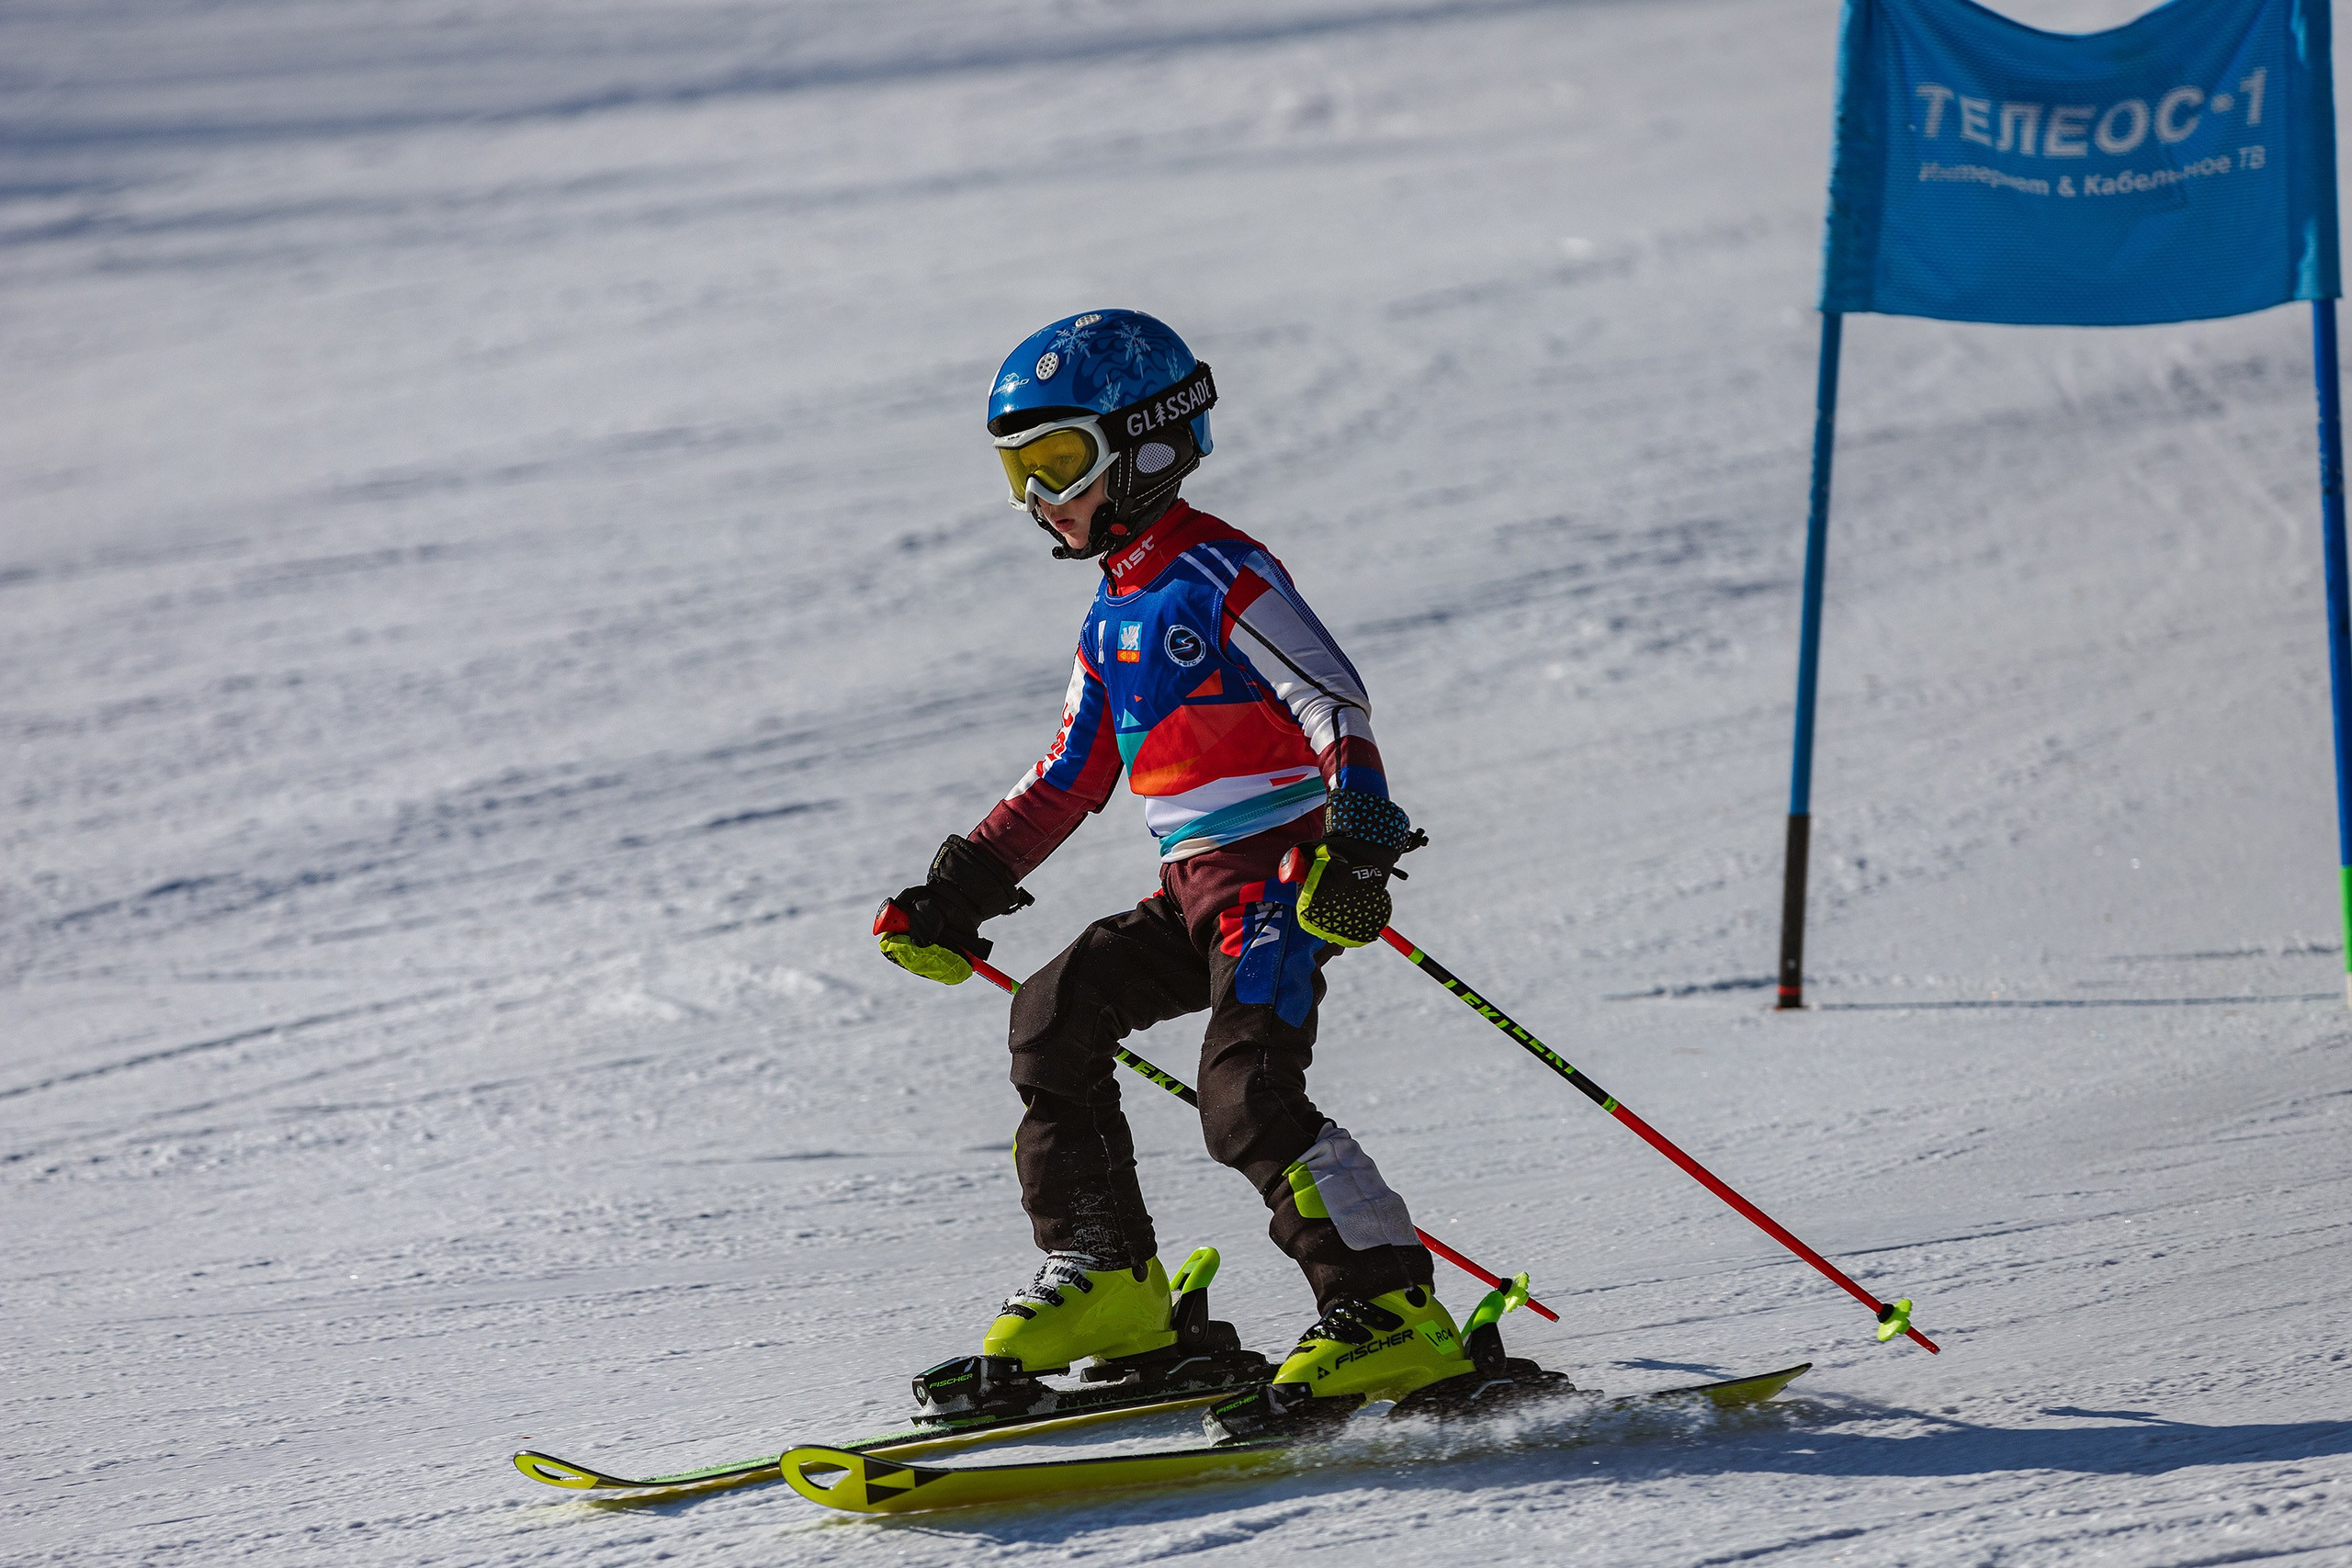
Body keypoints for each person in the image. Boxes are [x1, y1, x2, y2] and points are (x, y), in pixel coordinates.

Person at [876, 309, 1475, 1418]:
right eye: (1019, 470)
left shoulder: (1219, 571)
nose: (1036, 498)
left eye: (1058, 462)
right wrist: (958, 887)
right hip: (1193, 887)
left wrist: (1358, 842)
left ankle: (1385, 1308)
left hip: (1279, 878)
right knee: (1054, 1015)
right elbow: (1066, 778)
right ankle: (1110, 1280)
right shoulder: (1113, 614)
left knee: (1242, 1093)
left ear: (1148, 445)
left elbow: (1330, 700)